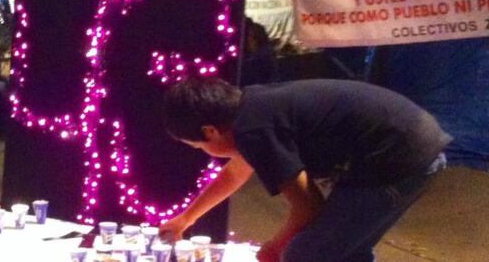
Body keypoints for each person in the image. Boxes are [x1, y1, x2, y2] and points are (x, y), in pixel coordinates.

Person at [158, 77, 451, 262]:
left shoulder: (254, 130)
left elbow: (308, 206)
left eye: (198, 146)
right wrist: (185, 219)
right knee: (345, 250)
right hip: (409, 144)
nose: (204, 152)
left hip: (399, 156)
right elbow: (236, 172)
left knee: (304, 253)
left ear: (210, 132)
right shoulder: (249, 110)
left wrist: (274, 247)